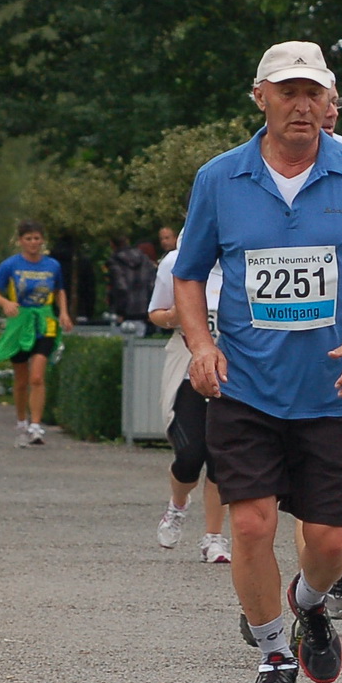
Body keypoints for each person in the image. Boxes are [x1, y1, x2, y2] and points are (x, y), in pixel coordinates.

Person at [171, 39, 342, 683]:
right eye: (288, 91)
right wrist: (201, 343)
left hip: (332, 392)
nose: (301, 104)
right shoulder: (220, 178)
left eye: (313, 92)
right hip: (245, 386)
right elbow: (189, 272)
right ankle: (275, 653)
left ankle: (309, 603)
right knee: (250, 525)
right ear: (262, 97)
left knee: (330, 543)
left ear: (329, 101)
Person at [149, 240, 230, 562]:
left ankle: (214, 538)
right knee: (189, 454)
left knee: (221, 457)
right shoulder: (175, 261)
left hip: (234, 370)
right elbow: (155, 313)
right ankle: (177, 505)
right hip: (187, 366)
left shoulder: (243, 251)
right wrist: (175, 315)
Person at [0, 221, 74, 446]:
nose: (33, 243)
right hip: (20, 322)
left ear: (42, 240)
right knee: (22, 378)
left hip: (45, 321)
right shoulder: (11, 265)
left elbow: (59, 290)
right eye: (28, 239)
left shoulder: (52, 265)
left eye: (36, 238)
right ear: (21, 241)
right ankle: (21, 420)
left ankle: (36, 425)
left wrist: (63, 312)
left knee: (37, 376)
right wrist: (5, 303)